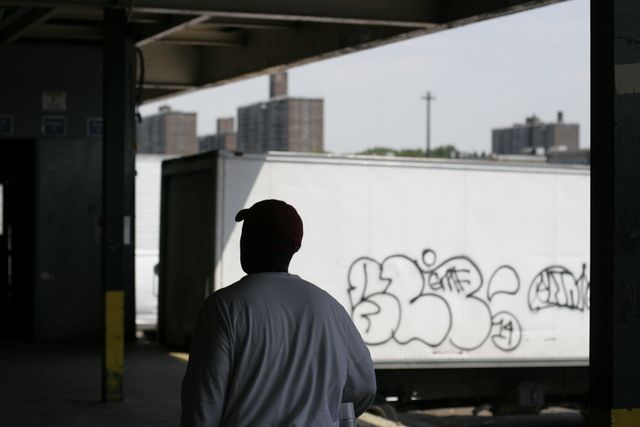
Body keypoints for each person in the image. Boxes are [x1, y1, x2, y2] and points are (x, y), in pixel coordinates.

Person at [181, 199, 376, 427]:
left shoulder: (222, 308)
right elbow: (364, 387)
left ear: (249, 242)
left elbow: (204, 404)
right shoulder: (329, 308)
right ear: (295, 247)